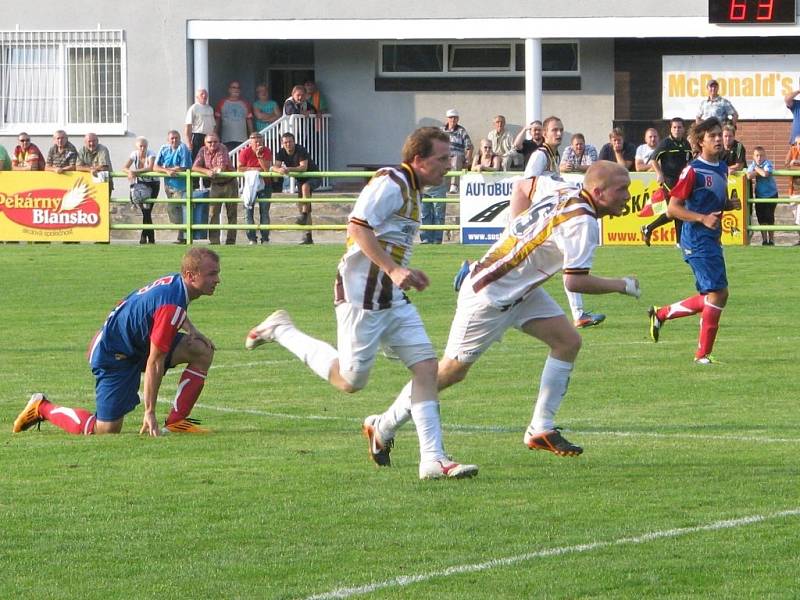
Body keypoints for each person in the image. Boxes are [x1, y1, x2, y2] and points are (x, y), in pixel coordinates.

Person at [364, 161, 641, 464]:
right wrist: (621, 284)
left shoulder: (565, 189)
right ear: (599, 192)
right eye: (622, 189)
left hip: (521, 291)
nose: (627, 195)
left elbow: (523, 187)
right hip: (489, 296)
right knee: (448, 373)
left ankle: (540, 427)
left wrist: (515, 238)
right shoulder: (582, 221)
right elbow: (574, 279)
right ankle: (383, 426)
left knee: (567, 342)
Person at [245, 127, 478, 480]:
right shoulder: (392, 182)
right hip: (361, 296)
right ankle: (281, 330)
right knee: (349, 382)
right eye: (442, 158)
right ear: (418, 159)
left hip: (392, 297)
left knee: (428, 368)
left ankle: (433, 459)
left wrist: (402, 272)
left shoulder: (413, 189)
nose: (449, 165)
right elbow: (357, 226)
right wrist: (394, 268)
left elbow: (386, 237)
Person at [12, 248, 220, 436]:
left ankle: (176, 423)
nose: (217, 279)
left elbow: (166, 310)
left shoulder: (176, 285)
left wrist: (192, 330)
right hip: (114, 356)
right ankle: (41, 407)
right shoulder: (172, 302)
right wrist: (150, 412)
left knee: (201, 350)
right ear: (191, 276)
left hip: (136, 345)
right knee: (106, 429)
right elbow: (155, 362)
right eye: (212, 274)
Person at [648, 117, 741, 365]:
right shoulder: (692, 171)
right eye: (713, 136)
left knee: (714, 295)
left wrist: (727, 205)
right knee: (719, 293)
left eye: (720, 134)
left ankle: (661, 313)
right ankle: (702, 355)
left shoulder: (721, 167)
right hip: (696, 240)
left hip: (711, 238)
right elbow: (672, 210)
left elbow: (710, 202)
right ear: (700, 142)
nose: (719, 139)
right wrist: (702, 218)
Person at [518, 116, 605, 329]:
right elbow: (527, 182)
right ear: (545, 134)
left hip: (550, 218)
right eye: (554, 130)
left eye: (561, 130)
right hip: (541, 219)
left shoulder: (552, 155)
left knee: (563, 261)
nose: (558, 133)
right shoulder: (540, 155)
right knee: (524, 263)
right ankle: (473, 271)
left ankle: (579, 314)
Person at [642, 117, 693, 246]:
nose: (677, 130)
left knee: (675, 211)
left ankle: (649, 228)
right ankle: (679, 242)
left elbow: (689, 161)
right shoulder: (665, 143)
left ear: (683, 129)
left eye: (679, 127)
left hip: (681, 182)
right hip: (669, 181)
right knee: (676, 209)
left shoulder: (686, 144)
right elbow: (653, 159)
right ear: (671, 129)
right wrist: (659, 173)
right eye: (674, 127)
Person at [272, 131, 320, 245]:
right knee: (303, 206)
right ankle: (308, 236)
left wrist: (288, 169)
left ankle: (303, 216)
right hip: (300, 180)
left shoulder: (301, 150)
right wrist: (279, 170)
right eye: (285, 142)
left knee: (305, 188)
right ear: (282, 143)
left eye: (290, 142)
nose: (288, 144)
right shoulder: (281, 152)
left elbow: (303, 168)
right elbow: (274, 166)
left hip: (313, 176)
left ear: (294, 142)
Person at [192, 133, 239, 245]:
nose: (213, 144)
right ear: (205, 143)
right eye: (210, 142)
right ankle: (214, 241)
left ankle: (231, 241)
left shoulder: (222, 148)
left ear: (219, 142)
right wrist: (207, 171)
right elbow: (194, 167)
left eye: (215, 142)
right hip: (215, 184)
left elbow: (221, 167)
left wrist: (211, 171)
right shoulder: (202, 150)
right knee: (213, 214)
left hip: (229, 183)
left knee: (232, 214)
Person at [154, 130, 193, 244]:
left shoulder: (183, 148)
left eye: (176, 138)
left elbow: (183, 167)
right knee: (173, 210)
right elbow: (155, 167)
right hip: (168, 185)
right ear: (168, 139)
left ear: (180, 138)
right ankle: (182, 235)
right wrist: (167, 170)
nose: (174, 140)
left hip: (182, 185)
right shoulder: (164, 148)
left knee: (182, 210)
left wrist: (169, 169)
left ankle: (184, 237)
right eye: (172, 138)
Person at [238, 132, 273, 245]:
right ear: (250, 141)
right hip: (250, 185)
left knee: (264, 212)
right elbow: (239, 168)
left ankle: (265, 238)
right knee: (248, 211)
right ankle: (252, 238)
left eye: (259, 140)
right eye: (255, 140)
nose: (258, 142)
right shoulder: (244, 152)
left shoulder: (266, 151)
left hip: (265, 184)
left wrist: (259, 155)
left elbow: (266, 168)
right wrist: (254, 170)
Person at [123, 137, 159, 245]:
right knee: (145, 212)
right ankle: (149, 238)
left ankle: (145, 237)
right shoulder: (134, 154)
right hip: (141, 184)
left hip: (153, 184)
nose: (143, 148)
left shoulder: (151, 154)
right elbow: (124, 167)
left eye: (144, 146)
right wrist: (129, 172)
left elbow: (150, 168)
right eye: (140, 146)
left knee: (148, 211)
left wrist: (135, 172)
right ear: (137, 147)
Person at [747, 146, 778, 246]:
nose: (759, 158)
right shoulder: (753, 164)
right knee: (761, 218)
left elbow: (765, 174)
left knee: (770, 217)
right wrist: (756, 171)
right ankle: (764, 240)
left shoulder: (767, 163)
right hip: (760, 195)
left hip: (771, 194)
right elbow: (748, 175)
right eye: (757, 155)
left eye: (761, 155)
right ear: (753, 157)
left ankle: (771, 239)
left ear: (765, 156)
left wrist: (756, 170)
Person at [215, 80, 253, 152]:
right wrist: (215, 135)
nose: (236, 89)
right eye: (234, 87)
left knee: (241, 161)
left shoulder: (245, 103)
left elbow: (249, 121)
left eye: (238, 88)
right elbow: (217, 121)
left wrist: (251, 135)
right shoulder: (221, 103)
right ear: (229, 89)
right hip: (227, 138)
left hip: (242, 139)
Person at [443, 108, 473, 193]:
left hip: (458, 155)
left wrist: (468, 159)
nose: (453, 119)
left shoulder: (461, 131)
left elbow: (469, 146)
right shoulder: (441, 130)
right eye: (451, 117)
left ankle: (454, 186)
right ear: (447, 118)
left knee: (456, 158)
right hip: (445, 155)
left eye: (455, 118)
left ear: (458, 119)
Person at [184, 88, 216, 160]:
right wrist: (188, 142)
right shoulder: (193, 108)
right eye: (202, 94)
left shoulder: (210, 109)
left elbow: (213, 125)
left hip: (209, 137)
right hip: (198, 136)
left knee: (209, 157)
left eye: (205, 94)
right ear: (197, 97)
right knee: (197, 158)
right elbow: (188, 126)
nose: (204, 96)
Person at [783, 135, 800, 245]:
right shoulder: (792, 151)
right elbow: (786, 165)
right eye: (799, 144)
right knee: (796, 217)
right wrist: (791, 163)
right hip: (793, 190)